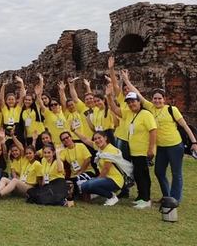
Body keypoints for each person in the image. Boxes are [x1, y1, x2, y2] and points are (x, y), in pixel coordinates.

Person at [124, 80, 197, 204]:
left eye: (159, 98)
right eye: (155, 98)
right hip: (161, 147)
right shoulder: (150, 108)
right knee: (159, 172)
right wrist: (126, 80)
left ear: (164, 99)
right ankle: (167, 195)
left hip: (175, 145)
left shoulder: (171, 109)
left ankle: (175, 199)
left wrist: (194, 142)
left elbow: (185, 126)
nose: (157, 101)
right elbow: (137, 94)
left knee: (176, 173)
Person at [117, 71, 157, 209]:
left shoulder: (146, 114)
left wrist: (151, 148)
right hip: (134, 151)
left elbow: (153, 131)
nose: (131, 104)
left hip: (143, 151)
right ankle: (141, 196)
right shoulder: (131, 114)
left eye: (133, 101)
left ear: (139, 102)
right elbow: (115, 110)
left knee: (143, 174)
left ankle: (146, 199)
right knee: (138, 174)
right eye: (129, 102)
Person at [73, 129, 127, 206]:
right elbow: (85, 139)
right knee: (84, 186)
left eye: (99, 138)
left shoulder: (110, 150)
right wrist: (74, 130)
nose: (97, 140)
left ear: (105, 138)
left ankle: (111, 197)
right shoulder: (100, 148)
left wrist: (96, 181)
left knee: (88, 185)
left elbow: (106, 169)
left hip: (115, 180)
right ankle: (105, 192)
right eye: (95, 139)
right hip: (106, 178)